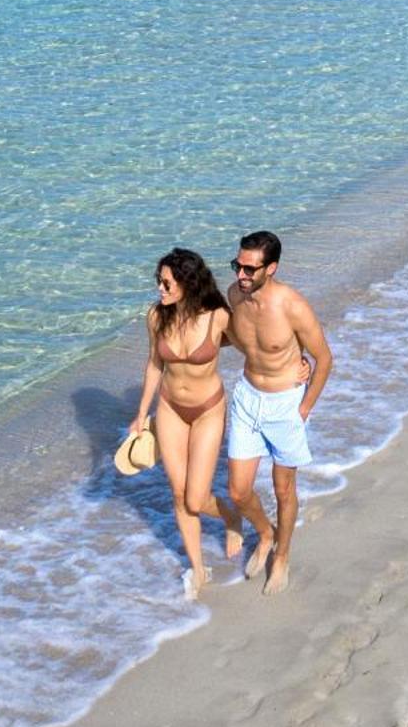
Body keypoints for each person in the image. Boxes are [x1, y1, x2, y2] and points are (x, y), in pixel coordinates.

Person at [127, 248, 245, 597]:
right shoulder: (156, 316)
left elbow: (252, 347)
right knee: (179, 496)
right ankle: (198, 569)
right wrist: (140, 414)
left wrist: (288, 367)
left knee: (196, 499)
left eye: (166, 282)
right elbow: (153, 366)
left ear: (187, 282)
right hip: (169, 409)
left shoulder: (217, 317)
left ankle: (231, 518)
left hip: (208, 409)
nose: (160, 289)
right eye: (158, 282)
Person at [224, 229, 332, 595]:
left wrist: (302, 409)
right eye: (238, 265)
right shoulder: (235, 295)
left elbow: (325, 359)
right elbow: (244, 342)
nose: (241, 275)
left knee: (283, 489)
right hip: (247, 398)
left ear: (271, 268)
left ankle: (282, 555)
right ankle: (265, 533)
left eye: (250, 269)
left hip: (286, 404)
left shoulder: (292, 306)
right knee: (238, 492)